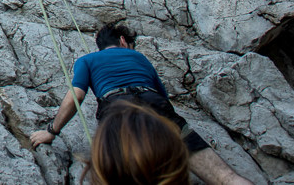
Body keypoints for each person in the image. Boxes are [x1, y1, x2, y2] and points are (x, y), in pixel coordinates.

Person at [29, 22, 252, 185]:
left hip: (119, 112)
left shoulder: (87, 60)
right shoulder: (139, 58)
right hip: (158, 110)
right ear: (124, 41)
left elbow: (76, 96)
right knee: (227, 178)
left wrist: (51, 131)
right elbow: (163, 98)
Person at [83, 100, 190, 184]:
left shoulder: (85, 70)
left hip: (113, 99)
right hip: (153, 99)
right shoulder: (148, 70)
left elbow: (77, 94)